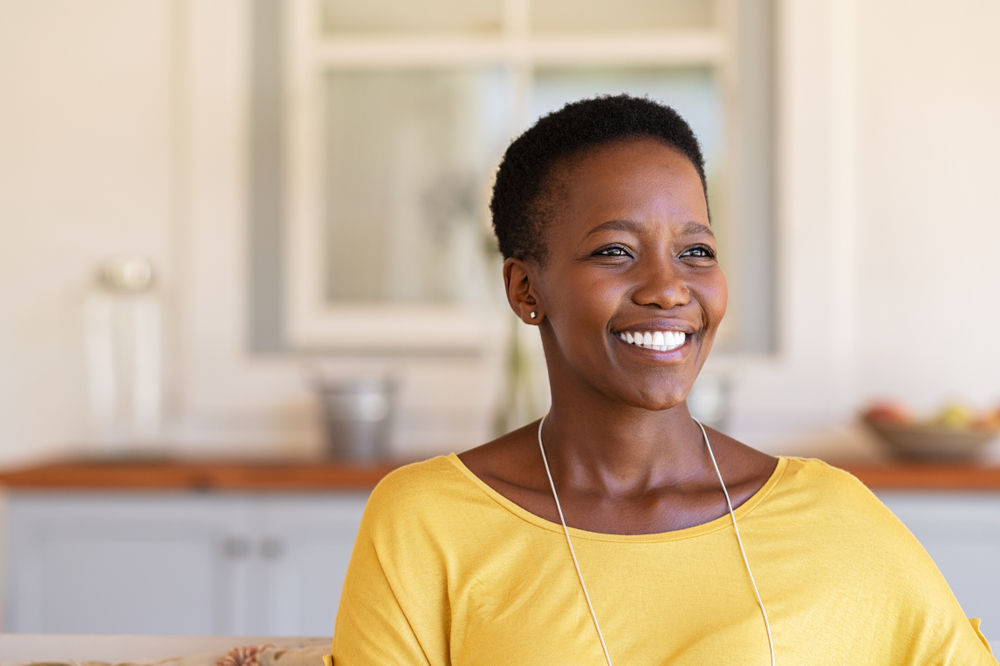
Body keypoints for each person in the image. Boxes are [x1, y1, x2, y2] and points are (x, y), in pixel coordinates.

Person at [326, 95, 996, 665]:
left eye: (695, 251)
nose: (670, 288)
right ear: (526, 288)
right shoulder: (427, 523)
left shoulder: (833, 517)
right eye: (616, 251)